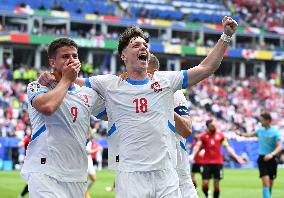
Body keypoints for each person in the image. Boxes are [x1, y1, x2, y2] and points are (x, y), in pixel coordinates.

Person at [39, 16, 238, 197]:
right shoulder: (109, 84)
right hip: (130, 176)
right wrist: (53, 76)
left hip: (165, 174)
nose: (143, 48)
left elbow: (206, 68)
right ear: (123, 55)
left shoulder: (166, 81)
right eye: (136, 45)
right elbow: (73, 80)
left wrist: (225, 37)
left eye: (145, 44)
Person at [21, 38, 105, 198]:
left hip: (76, 175)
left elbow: (112, 114)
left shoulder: (87, 94)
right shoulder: (37, 86)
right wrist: (66, 79)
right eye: (65, 56)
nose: (71, 60)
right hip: (45, 172)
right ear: (52, 62)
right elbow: (47, 107)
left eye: (75, 56)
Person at [148, 53, 198, 197]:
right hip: (146, 176)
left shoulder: (173, 93)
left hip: (177, 177)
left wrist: (165, 108)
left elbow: (187, 130)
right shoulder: (133, 95)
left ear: (154, 72)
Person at [189, 119, 245, 198]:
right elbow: (197, 146)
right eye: (212, 126)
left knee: (216, 184)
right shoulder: (203, 136)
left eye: (215, 125)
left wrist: (236, 157)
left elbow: (227, 147)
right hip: (206, 163)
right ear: (208, 127)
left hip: (218, 163)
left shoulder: (220, 135)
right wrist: (193, 155)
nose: (214, 127)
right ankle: (207, 195)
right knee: (205, 184)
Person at [236, 113, 282, 198]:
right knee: (265, 181)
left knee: (270, 183)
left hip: (272, 159)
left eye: (262, 120)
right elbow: (251, 134)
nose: (260, 122)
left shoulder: (275, 132)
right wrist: (241, 134)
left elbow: (280, 146)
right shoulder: (260, 130)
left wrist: (271, 154)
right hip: (262, 159)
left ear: (267, 120)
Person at [85, 130, 103, 198]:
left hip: (89, 160)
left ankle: (84, 192)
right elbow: (87, 152)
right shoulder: (82, 138)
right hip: (83, 161)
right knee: (83, 181)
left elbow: (92, 136)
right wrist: (97, 149)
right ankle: (85, 194)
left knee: (94, 179)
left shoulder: (90, 138)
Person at [17, 126, 32, 198]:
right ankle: (21, 195)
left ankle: (21, 195)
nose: (28, 131)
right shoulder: (27, 138)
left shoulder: (32, 137)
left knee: (32, 181)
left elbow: (19, 144)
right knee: (31, 181)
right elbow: (20, 144)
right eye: (28, 129)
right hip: (30, 162)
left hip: (34, 161)